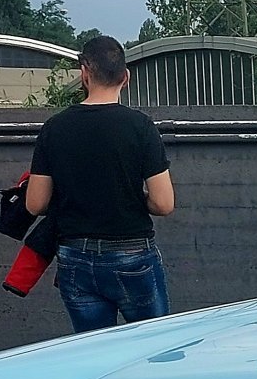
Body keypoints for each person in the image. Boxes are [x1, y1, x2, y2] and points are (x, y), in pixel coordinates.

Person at [25, 35, 175, 333]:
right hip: (133, 256)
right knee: (153, 350)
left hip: (75, 258)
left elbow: (35, 203)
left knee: (93, 355)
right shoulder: (140, 126)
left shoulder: (55, 128)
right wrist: (131, 197)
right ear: (126, 77)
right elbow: (163, 203)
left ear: (84, 74)